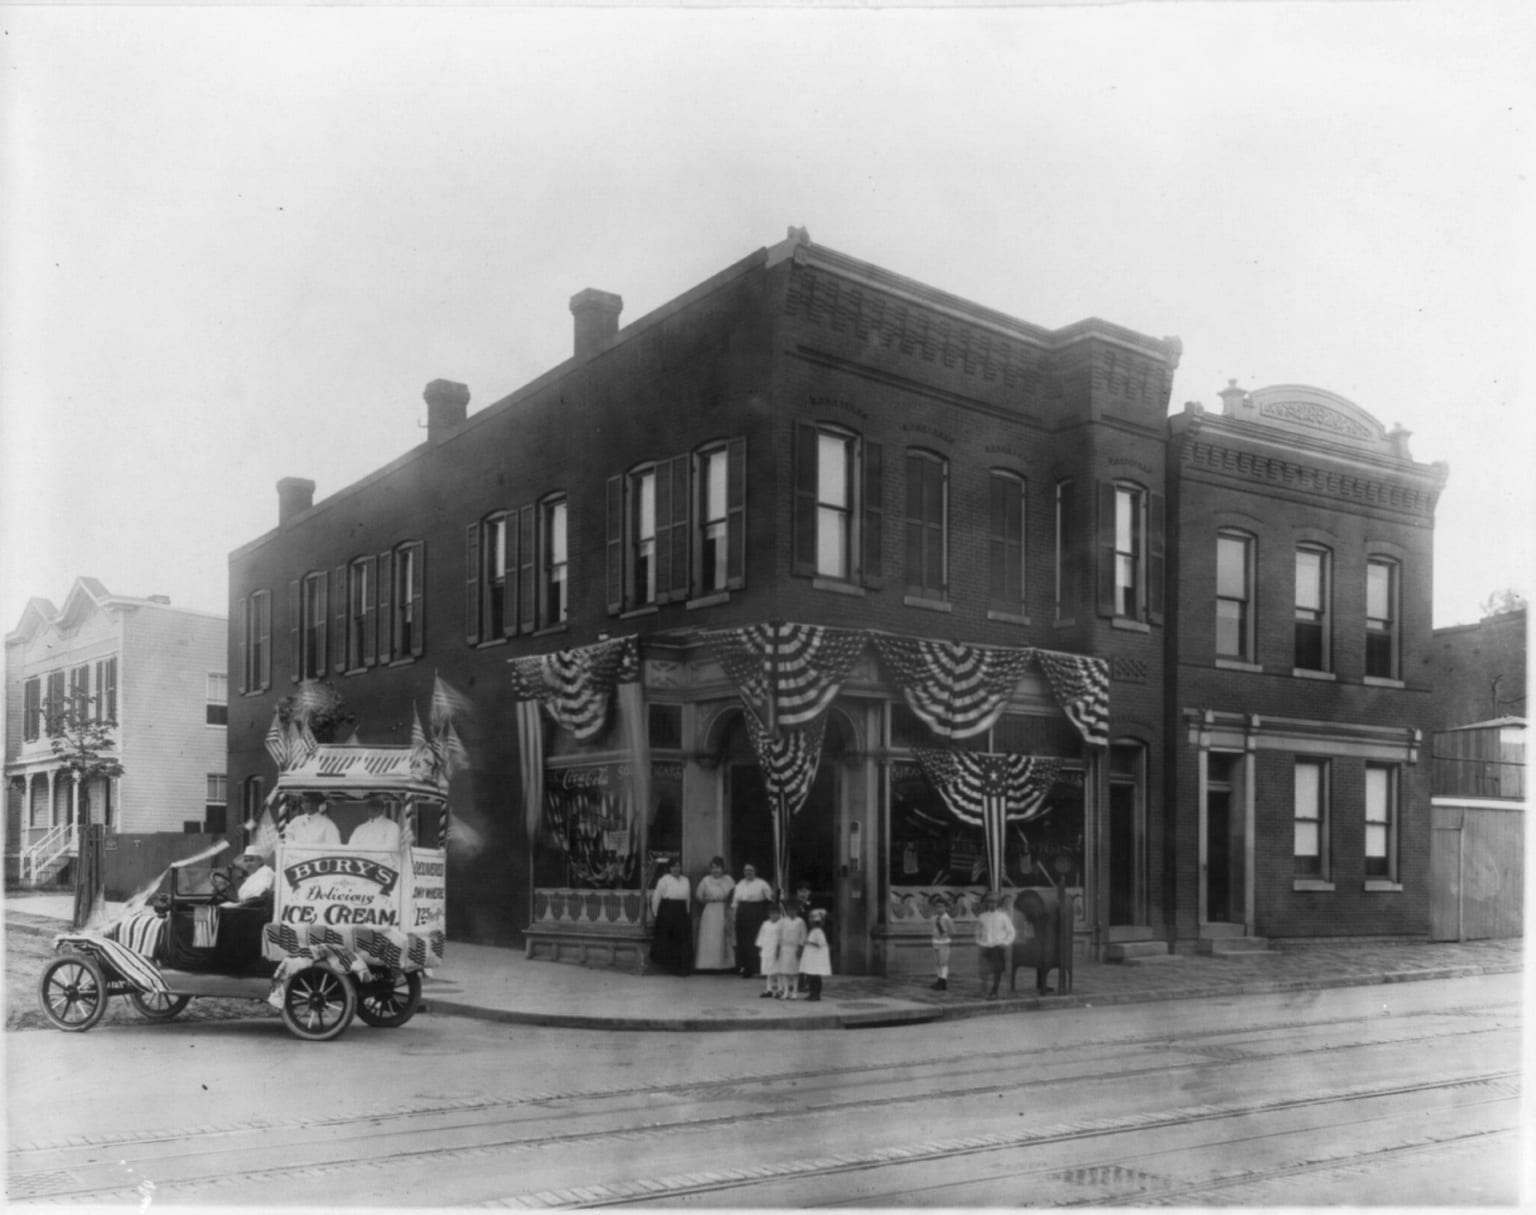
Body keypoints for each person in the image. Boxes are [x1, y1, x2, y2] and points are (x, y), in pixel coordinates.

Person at [649, 858, 693, 976]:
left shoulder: (685, 880)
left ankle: (682, 967)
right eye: (673, 866)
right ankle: (672, 967)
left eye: (678, 866)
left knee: (682, 940)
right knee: (671, 940)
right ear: (669, 868)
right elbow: (656, 897)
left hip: (681, 911)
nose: (676, 869)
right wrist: (656, 913)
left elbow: (688, 898)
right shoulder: (664, 880)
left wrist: (687, 912)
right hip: (668, 911)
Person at [729, 862, 773, 978]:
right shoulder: (740, 884)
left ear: (755, 871)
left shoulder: (762, 884)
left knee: (756, 940)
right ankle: (746, 968)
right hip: (742, 913)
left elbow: (770, 899)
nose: (748, 872)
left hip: (757, 913)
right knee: (743, 941)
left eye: (750, 870)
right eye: (746, 870)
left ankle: (758, 968)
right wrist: (733, 916)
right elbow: (735, 902)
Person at [693, 856, 735, 972]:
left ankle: (723, 965)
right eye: (713, 868)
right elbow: (698, 895)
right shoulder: (706, 880)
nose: (715, 870)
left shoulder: (729, 880)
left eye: (718, 868)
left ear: (723, 868)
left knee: (722, 935)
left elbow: (733, 895)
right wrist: (706, 899)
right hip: (710, 911)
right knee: (709, 936)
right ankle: (707, 965)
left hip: (723, 909)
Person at [974, 892, 1016, 999]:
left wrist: (1005, 943)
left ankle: (994, 991)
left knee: (997, 970)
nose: (991, 904)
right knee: (984, 970)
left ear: (997, 904)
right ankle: (983, 991)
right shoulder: (982, 917)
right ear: (986, 904)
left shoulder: (1003, 917)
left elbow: (1011, 932)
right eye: (989, 902)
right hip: (985, 946)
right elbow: (977, 931)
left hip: (998, 947)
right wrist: (979, 942)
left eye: (994, 902)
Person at [777, 900, 806, 1000]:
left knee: (794, 972)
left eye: (793, 910)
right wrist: (778, 948)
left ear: (797, 911)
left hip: (795, 948)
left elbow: (803, 936)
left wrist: (800, 948)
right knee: (784, 971)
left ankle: (795, 991)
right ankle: (786, 991)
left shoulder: (800, 921)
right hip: (784, 948)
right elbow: (779, 935)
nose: (791, 912)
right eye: (789, 910)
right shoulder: (783, 921)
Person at [801, 909, 832, 1001]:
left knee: (815, 977)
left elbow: (820, 944)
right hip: (812, 957)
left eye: (817, 922)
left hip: (816, 958)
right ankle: (812, 993)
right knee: (811, 977)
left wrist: (808, 942)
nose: (815, 924)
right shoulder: (814, 931)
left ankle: (816, 994)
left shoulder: (818, 931)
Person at [755, 903, 783, 998]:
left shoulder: (781, 924)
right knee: (768, 971)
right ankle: (769, 989)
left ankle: (780, 990)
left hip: (777, 950)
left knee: (778, 971)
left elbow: (783, 938)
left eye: (776, 913)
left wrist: (780, 949)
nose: (774, 915)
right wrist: (761, 947)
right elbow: (761, 936)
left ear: (779, 914)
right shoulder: (765, 924)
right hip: (767, 949)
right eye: (772, 913)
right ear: (769, 914)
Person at [929, 892, 955, 991]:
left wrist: (945, 936)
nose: (939, 909)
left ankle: (943, 981)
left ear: (945, 908)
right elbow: (933, 929)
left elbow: (952, 931)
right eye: (937, 907)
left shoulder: (947, 919)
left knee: (943, 962)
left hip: (944, 943)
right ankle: (939, 979)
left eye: (941, 907)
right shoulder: (934, 918)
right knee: (937, 962)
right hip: (935, 942)